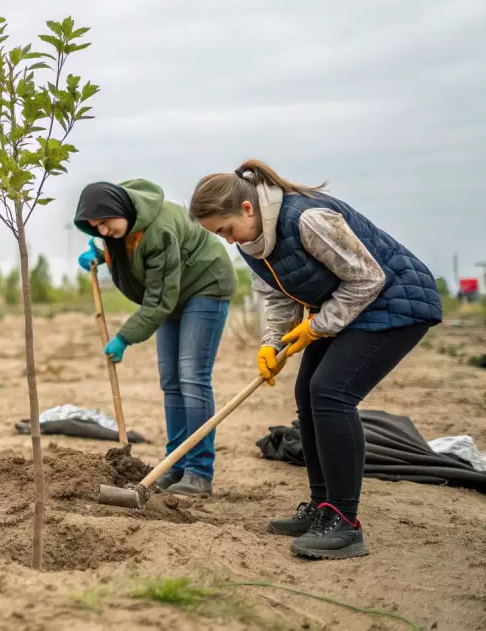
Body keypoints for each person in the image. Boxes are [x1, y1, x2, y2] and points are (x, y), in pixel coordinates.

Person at [189, 159, 441, 560]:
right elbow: (277, 297)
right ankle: (322, 508)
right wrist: (272, 344)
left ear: (247, 209)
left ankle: (345, 523)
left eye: (227, 230)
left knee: (330, 393)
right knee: (307, 395)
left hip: (398, 302)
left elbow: (368, 278)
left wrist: (317, 327)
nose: (229, 241)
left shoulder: (308, 218)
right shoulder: (255, 244)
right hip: (348, 309)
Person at [75, 179, 236, 497]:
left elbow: (159, 300)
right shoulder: (123, 228)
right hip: (173, 295)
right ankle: (176, 464)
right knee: (171, 381)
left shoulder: (159, 229)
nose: (104, 231)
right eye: (96, 228)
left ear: (118, 209)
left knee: (192, 377)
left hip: (205, 286)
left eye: (105, 223)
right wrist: (101, 255)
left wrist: (124, 336)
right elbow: (134, 262)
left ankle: (198, 472)